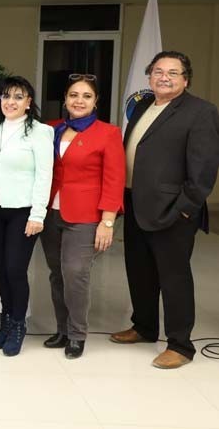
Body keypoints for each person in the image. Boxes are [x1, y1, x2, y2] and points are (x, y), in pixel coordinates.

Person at [111, 51, 219, 369]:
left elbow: (204, 169)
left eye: (173, 72)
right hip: (135, 203)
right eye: (158, 71)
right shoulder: (143, 105)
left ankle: (180, 345)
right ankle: (144, 327)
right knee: (140, 271)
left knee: (174, 278)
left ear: (185, 79)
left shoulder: (201, 112)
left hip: (173, 210)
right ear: (149, 76)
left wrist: (186, 209)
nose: (164, 77)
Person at [39, 74, 125, 359]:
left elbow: (114, 179)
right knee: (56, 274)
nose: (79, 100)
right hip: (50, 212)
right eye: (74, 95)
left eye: (86, 96)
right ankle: (62, 330)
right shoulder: (51, 129)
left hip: (86, 216)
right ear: (65, 99)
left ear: (96, 100)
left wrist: (107, 221)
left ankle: (77, 334)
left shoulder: (107, 133)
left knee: (76, 273)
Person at [0, 76, 53, 356]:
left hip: (23, 211)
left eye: (18, 97)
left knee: (15, 269)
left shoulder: (39, 131)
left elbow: (45, 175)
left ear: (28, 102)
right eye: (6, 96)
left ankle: (18, 324)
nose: (10, 102)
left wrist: (39, 214)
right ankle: (6, 318)